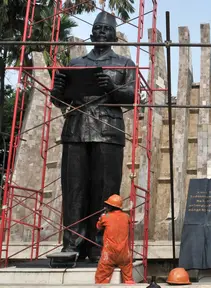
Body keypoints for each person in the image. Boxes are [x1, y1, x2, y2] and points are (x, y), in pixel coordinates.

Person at [50, 11, 136, 261]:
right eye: (97, 28)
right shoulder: (75, 64)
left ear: (114, 36)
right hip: (76, 130)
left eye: (106, 29)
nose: (100, 32)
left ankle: (101, 244)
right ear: (91, 33)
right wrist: (57, 91)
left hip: (108, 132)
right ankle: (72, 244)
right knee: (74, 190)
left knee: (106, 191)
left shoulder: (124, 64)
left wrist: (112, 88)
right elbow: (60, 100)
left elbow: (132, 97)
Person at [95, 194, 134, 284]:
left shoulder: (105, 217)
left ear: (110, 206)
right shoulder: (127, 217)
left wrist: (101, 218)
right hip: (124, 254)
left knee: (101, 279)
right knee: (128, 279)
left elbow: (98, 227)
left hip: (109, 254)